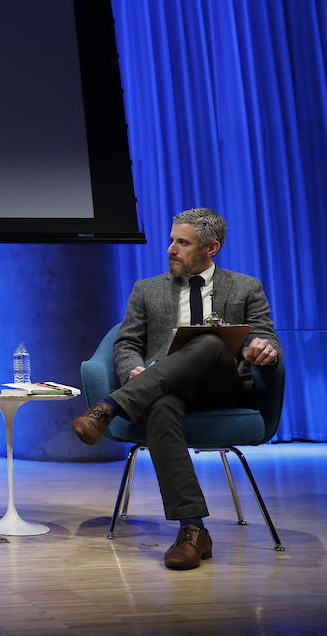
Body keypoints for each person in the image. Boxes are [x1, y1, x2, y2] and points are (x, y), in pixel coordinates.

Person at [71, 207, 282, 570]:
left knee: (212, 343)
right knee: (161, 403)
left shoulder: (246, 287)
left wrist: (263, 348)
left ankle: (109, 408)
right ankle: (193, 529)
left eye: (182, 243)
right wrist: (132, 369)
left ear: (210, 248)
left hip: (221, 386)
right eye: (171, 240)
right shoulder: (147, 290)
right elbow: (125, 344)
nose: (170, 248)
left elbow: (265, 332)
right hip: (162, 387)